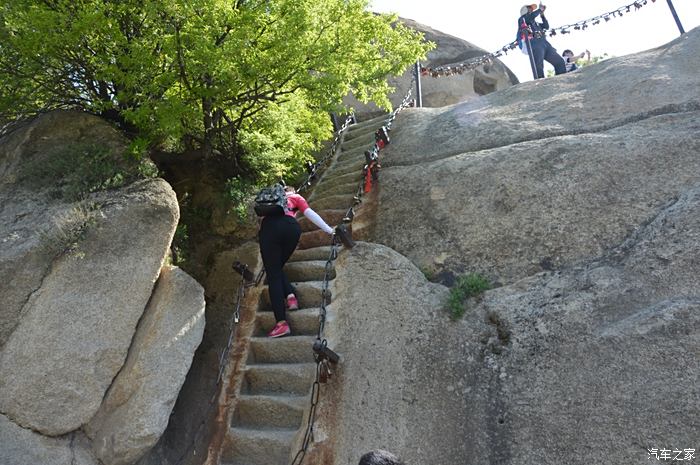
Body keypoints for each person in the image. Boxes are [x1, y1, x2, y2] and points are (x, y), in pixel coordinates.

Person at [259, 185, 334, 337]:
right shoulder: (296, 197)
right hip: (292, 228)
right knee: (277, 268)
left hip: (270, 228)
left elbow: (261, 217)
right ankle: (290, 296)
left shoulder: (271, 201)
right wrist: (330, 230)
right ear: (292, 191)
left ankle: (281, 323)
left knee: (273, 274)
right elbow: (310, 213)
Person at [516, 3, 566, 79]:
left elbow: (546, 26)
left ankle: (561, 80)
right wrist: (540, 10)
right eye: (529, 8)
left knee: (560, 62)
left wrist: (542, 14)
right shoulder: (522, 19)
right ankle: (540, 84)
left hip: (545, 43)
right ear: (525, 10)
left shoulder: (536, 23)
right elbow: (529, 18)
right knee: (539, 66)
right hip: (534, 44)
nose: (532, 10)